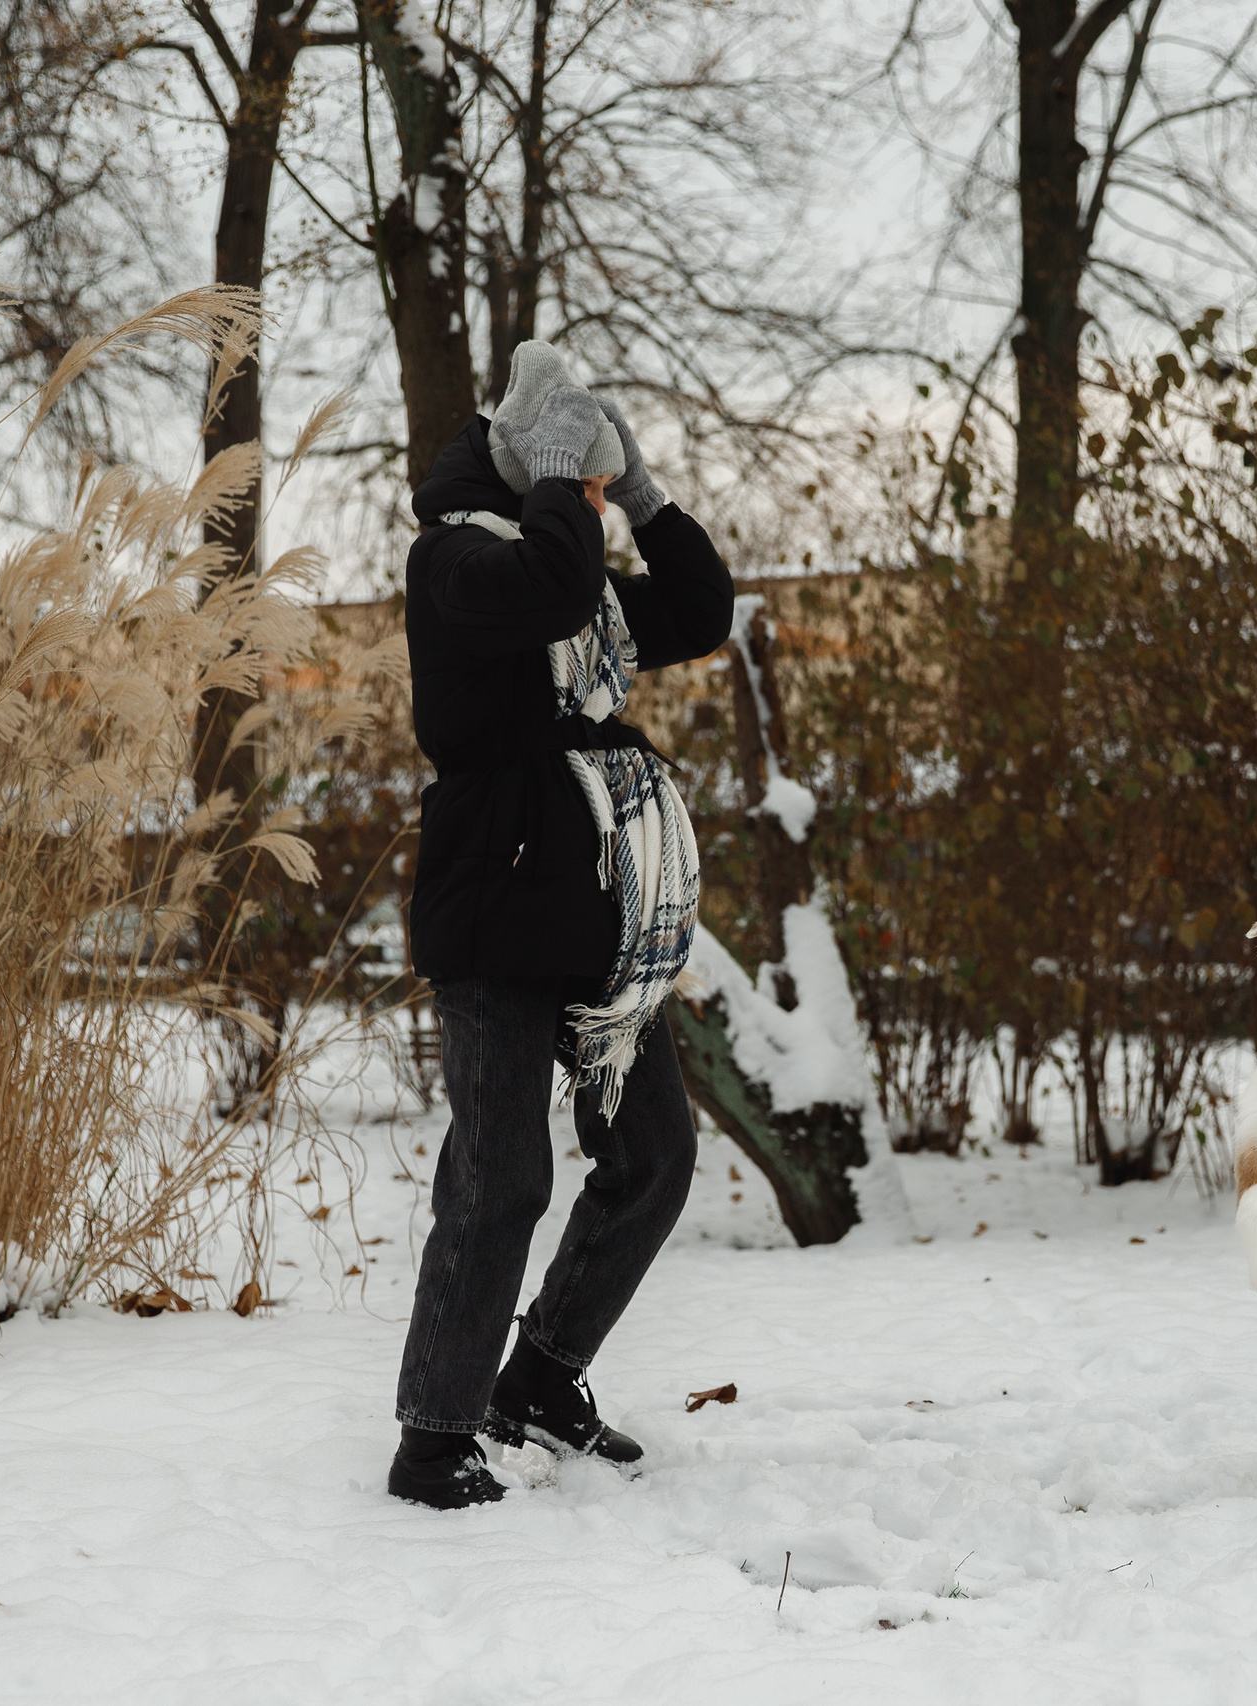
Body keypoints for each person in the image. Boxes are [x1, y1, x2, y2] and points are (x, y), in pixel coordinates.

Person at [387, 342, 734, 1510]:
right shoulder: (453, 563)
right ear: (526, 475)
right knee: (502, 1179)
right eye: (578, 487)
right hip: (493, 907)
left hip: (597, 922)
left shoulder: (572, 581)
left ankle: (536, 1379)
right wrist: (554, 483)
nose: (590, 507)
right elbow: (550, 582)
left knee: (654, 1160)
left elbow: (696, 606)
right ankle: (433, 1435)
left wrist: (638, 491)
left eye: (591, 490)